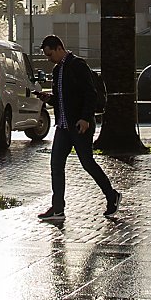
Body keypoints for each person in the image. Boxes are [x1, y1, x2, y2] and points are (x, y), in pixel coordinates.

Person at [39, 34, 119, 219]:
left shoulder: (78, 65)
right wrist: (49, 98)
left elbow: (90, 93)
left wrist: (85, 118)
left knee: (88, 163)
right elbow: (62, 99)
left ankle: (112, 196)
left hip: (79, 126)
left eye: (50, 55)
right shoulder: (57, 70)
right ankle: (57, 208)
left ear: (60, 48)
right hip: (63, 127)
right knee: (56, 165)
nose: (49, 59)